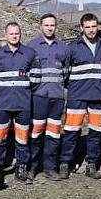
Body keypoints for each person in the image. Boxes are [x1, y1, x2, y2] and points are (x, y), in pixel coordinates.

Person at [60, 13, 101, 180]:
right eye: (87, 27)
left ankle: (91, 164)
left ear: (98, 26)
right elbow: (65, 72)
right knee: (71, 131)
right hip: (77, 95)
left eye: (93, 26)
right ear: (81, 28)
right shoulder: (72, 47)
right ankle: (65, 163)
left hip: (97, 95)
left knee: (95, 132)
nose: (91, 30)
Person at [0, 22, 40, 185]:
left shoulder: (30, 53)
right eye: (11, 33)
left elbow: (36, 79)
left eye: (17, 33)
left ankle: (21, 167)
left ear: (20, 34)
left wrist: (21, 89)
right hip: (3, 104)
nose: (14, 36)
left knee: (23, 138)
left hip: (23, 104)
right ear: (6, 35)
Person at [27, 13, 69, 181]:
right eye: (46, 25)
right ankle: (33, 167)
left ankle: (50, 167)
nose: (49, 28)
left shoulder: (63, 48)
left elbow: (66, 72)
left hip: (57, 97)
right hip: (38, 97)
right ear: (41, 26)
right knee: (36, 134)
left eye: (52, 25)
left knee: (54, 134)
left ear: (55, 27)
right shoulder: (32, 46)